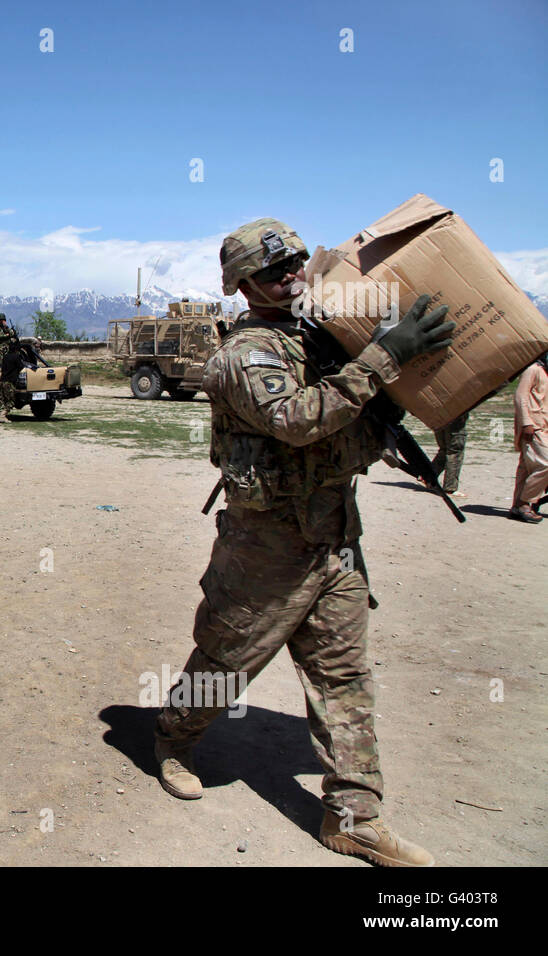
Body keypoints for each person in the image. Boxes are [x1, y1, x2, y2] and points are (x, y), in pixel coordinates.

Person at [153, 218, 455, 867]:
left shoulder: (322, 337)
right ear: (242, 286)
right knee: (227, 662)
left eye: (294, 261)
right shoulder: (244, 355)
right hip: (266, 546)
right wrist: (385, 357)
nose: (290, 274)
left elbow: (357, 413)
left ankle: (354, 818)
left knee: (344, 675)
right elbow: (295, 420)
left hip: (335, 537)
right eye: (273, 270)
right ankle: (174, 739)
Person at [509, 351, 548, 523]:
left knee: (526, 468)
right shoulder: (533, 369)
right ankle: (525, 503)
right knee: (545, 464)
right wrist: (526, 423)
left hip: (544, 427)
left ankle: (516, 506)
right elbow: (520, 396)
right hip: (533, 426)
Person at [428, 411, 468, 498]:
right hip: (455, 416)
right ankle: (450, 488)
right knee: (455, 451)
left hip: (438, 417)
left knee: (445, 449)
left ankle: (427, 478)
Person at [0, 314, 18, 422]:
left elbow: (12, 335)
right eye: (1, 320)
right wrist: (8, 334)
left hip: (6, 348)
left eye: (3, 320)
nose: (3, 322)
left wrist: (9, 331)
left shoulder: (6, 328)